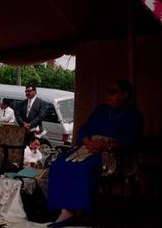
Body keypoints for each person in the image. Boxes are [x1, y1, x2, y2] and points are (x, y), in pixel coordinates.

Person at [46, 79, 143, 227]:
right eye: (108, 92)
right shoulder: (100, 110)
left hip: (110, 154)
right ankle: (65, 210)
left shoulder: (134, 115)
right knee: (58, 165)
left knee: (84, 168)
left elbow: (132, 140)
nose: (108, 95)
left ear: (125, 95)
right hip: (88, 147)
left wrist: (109, 145)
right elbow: (85, 128)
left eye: (113, 92)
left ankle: (77, 212)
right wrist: (87, 141)